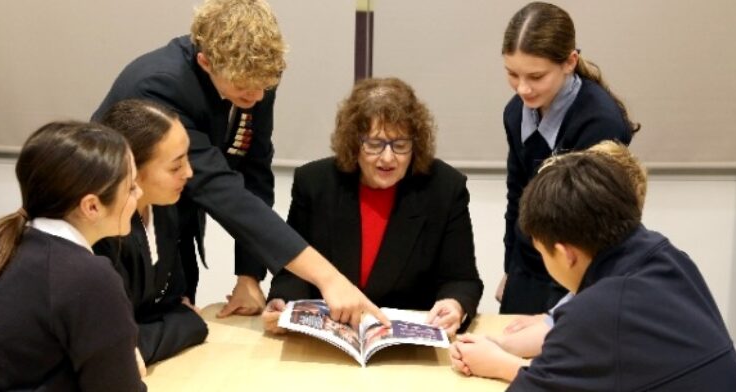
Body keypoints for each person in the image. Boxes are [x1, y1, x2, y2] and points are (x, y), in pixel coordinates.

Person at [92, 0, 388, 327]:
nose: (258, 97)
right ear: (205, 62)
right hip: (122, 234)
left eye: (266, 85)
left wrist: (249, 273)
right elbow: (221, 190)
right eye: (245, 90)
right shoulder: (159, 85)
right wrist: (328, 277)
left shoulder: (255, 77)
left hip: (177, 228)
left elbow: (254, 169)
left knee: (183, 328)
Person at [449, 152, 736, 390]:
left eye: (542, 253)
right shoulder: (667, 258)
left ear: (566, 254)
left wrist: (497, 363)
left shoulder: (598, 310)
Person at [261, 77, 484, 337]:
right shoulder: (315, 183)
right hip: (330, 339)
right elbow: (294, 270)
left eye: (400, 145)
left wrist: (454, 305)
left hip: (405, 348)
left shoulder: (445, 188)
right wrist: (283, 303)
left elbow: (461, 280)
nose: (388, 158)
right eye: (375, 144)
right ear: (354, 143)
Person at [0, 122, 146, 391]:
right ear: (92, 206)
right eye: (131, 188)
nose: (139, 194)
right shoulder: (87, 276)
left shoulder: (14, 247)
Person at [497, 1, 639, 314]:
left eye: (536, 76)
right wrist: (510, 268)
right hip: (529, 263)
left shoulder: (600, 123)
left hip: (575, 275)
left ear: (570, 61)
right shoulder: (515, 112)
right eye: (512, 74)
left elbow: (597, 231)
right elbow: (517, 196)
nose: (523, 89)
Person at [498, 140, 647, 358]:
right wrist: (497, 345)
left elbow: (556, 372)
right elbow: (555, 329)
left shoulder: (613, 296)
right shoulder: (639, 257)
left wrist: (497, 359)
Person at [93, 99, 208, 366]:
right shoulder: (100, 232)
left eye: (188, 159)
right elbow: (119, 347)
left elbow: (173, 300)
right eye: (175, 166)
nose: (189, 173)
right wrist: (188, 322)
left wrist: (180, 319)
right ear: (132, 169)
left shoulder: (165, 209)